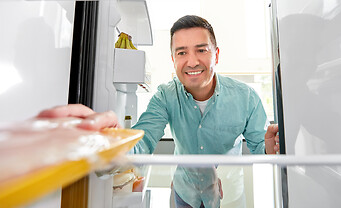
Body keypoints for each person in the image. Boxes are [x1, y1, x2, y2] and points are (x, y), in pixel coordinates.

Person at [38, 15, 279, 208]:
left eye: (201, 50)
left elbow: (261, 149)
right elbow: (143, 141)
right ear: (173, 59)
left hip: (229, 198)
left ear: (216, 54)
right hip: (185, 194)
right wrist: (107, 143)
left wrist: (271, 147)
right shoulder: (165, 95)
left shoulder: (246, 97)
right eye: (182, 52)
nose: (192, 61)